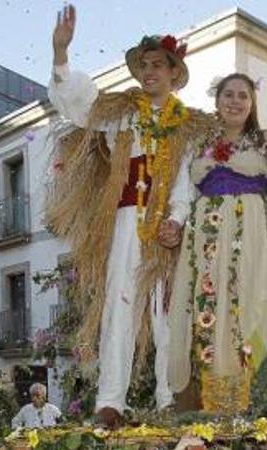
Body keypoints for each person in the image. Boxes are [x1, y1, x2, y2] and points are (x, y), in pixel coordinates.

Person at [46, 4, 213, 427]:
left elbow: (185, 184)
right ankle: (111, 402)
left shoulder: (189, 125)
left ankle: (167, 398)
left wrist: (177, 219)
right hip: (124, 222)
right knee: (120, 307)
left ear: (175, 73)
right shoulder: (120, 110)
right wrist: (61, 54)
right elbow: (78, 105)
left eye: (159, 64)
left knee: (166, 314)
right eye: (144, 65)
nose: (150, 71)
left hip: (165, 232)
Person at [167, 69, 267, 413]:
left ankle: (254, 394)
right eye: (229, 94)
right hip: (207, 236)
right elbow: (180, 190)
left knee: (255, 303)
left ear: (252, 103)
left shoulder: (264, 141)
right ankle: (214, 397)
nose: (235, 101)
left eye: (243, 95)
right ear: (217, 100)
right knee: (210, 306)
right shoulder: (196, 144)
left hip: (253, 233)